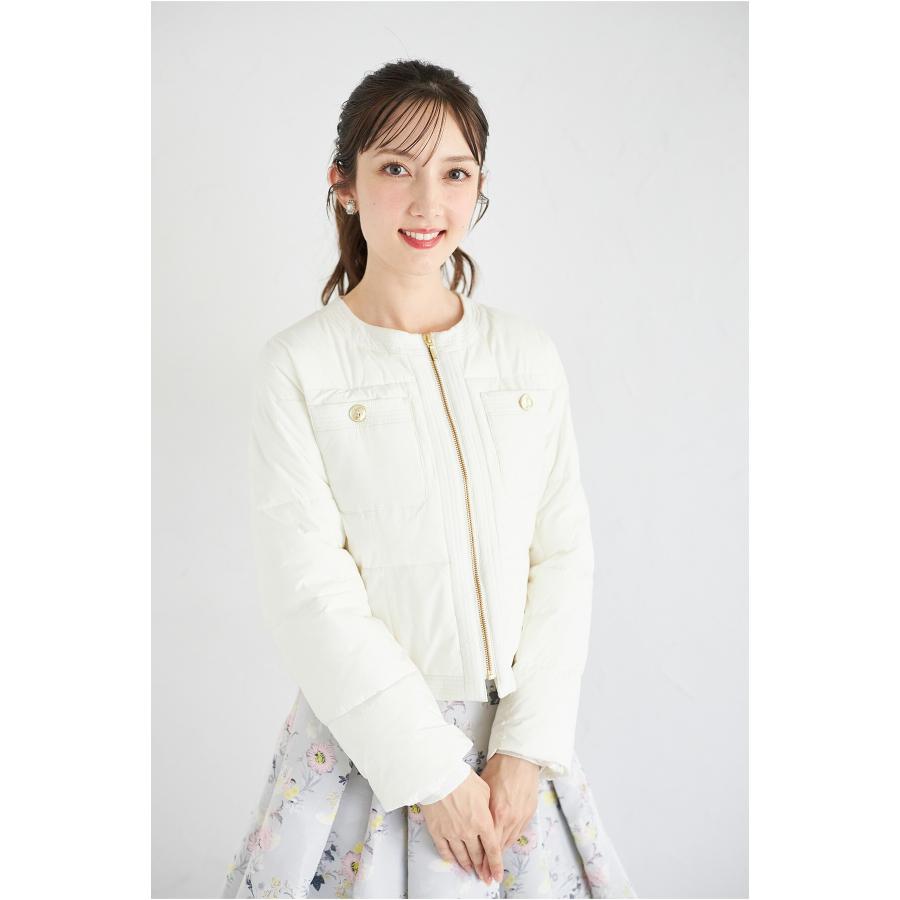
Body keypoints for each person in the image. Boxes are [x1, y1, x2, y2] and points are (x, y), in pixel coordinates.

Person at [220, 59, 637, 899]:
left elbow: (563, 559)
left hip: (517, 764)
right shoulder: (299, 366)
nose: (426, 202)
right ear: (344, 184)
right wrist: (434, 775)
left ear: (479, 188)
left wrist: (525, 750)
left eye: (454, 174)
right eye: (395, 168)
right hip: (368, 754)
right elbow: (310, 594)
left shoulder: (526, 356)